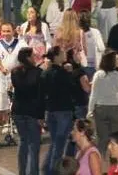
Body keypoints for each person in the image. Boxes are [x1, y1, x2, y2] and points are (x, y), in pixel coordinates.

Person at [88, 50, 118, 155]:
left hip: (100, 109)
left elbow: (93, 95)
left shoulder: (97, 75)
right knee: (116, 141)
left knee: (102, 140)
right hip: (115, 109)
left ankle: (101, 165)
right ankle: (114, 166)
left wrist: (90, 110)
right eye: (117, 59)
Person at [11, 47, 44, 175]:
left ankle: (22, 171)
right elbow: (40, 95)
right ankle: (33, 172)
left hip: (18, 109)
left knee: (23, 141)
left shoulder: (14, 72)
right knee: (34, 144)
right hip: (33, 111)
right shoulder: (38, 72)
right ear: (28, 57)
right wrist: (41, 116)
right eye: (33, 56)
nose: (35, 57)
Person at [42, 46, 75, 175]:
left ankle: (47, 168)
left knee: (55, 142)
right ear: (56, 56)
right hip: (63, 110)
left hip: (51, 110)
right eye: (62, 52)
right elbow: (71, 89)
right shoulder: (62, 73)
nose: (64, 54)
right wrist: (70, 73)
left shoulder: (46, 73)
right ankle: (53, 171)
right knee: (59, 144)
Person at [0, 22, 28, 129]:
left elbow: (26, 57)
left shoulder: (21, 43)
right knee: (3, 98)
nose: (6, 33)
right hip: (2, 75)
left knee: (17, 98)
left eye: (8, 31)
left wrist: (20, 69)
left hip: (18, 76)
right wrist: (2, 68)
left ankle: (17, 122)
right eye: (4, 31)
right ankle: (7, 123)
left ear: (13, 31)